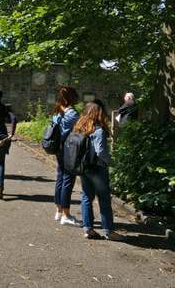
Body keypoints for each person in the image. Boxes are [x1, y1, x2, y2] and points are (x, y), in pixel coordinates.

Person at [74, 100, 124, 241]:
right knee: (104, 199)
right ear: (99, 113)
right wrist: (112, 162)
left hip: (84, 168)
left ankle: (88, 228)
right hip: (98, 168)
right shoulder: (99, 130)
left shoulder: (80, 127)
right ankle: (109, 231)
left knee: (86, 197)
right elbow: (101, 152)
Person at [52, 86, 81, 226]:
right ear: (72, 98)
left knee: (60, 178)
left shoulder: (58, 112)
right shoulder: (73, 114)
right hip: (69, 150)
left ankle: (58, 211)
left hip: (58, 149)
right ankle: (66, 214)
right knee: (68, 180)